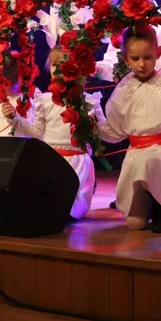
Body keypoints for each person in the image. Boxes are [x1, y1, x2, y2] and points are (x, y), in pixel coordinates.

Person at [98, 27, 161, 233]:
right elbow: (115, 130)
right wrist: (94, 124)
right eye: (135, 58)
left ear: (158, 53)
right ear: (126, 58)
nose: (142, 64)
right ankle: (145, 202)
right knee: (135, 225)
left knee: (152, 160)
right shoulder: (124, 89)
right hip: (137, 153)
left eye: (148, 57)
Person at [30, 46, 106, 221]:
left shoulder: (88, 100)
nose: (57, 70)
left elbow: (102, 132)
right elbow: (37, 131)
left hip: (78, 161)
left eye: (63, 64)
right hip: (52, 160)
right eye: (54, 65)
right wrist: (15, 120)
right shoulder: (44, 100)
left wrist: (94, 122)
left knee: (71, 206)